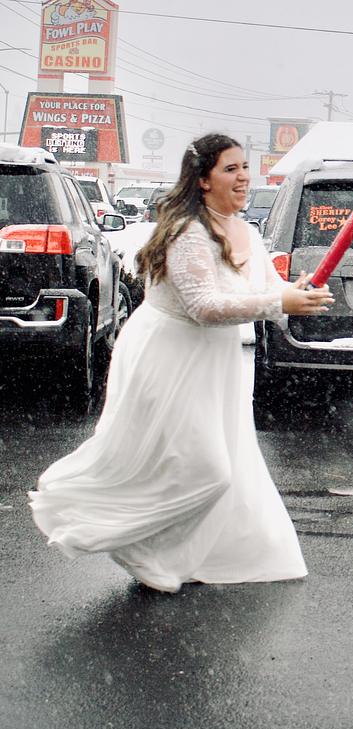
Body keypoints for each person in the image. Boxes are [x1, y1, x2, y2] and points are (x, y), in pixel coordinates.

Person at [30, 133, 334, 593]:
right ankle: (140, 550)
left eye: (244, 168)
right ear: (203, 180)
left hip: (215, 361)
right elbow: (203, 306)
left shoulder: (247, 232)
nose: (243, 177)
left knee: (216, 464)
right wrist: (279, 303)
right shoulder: (187, 232)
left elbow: (264, 287)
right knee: (203, 468)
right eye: (230, 169)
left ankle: (200, 555)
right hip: (170, 356)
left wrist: (296, 292)